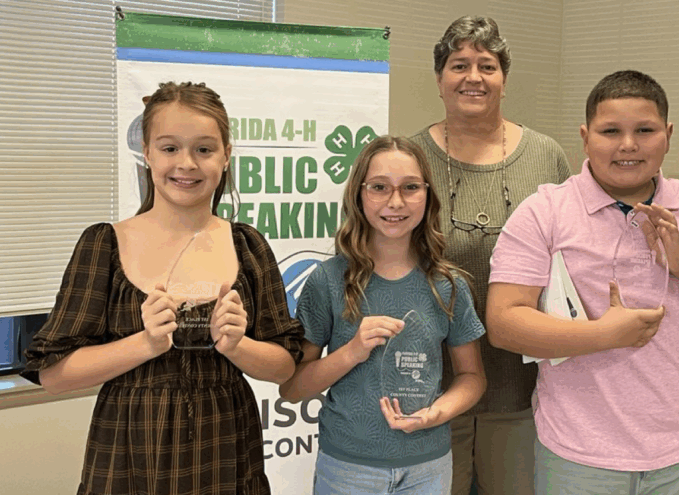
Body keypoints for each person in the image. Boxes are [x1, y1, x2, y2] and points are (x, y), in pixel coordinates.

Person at [487, 70, 679, 495]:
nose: (628, 145)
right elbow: (503, 323)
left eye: (645, 130)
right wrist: (603, 335)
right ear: (585, 138)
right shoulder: (545, 211)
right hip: (578, 455)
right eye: (610, 131)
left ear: (668, 134)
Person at [21, 81, 304, 495]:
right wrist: (146, 344)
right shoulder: (104, 245)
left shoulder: (248, 246)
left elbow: (285, 366)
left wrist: (236, 345)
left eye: (204, 149)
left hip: (227, 450)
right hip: (130, 455)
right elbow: (53, 376)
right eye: (170, 148)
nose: (186, 163)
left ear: (226, 157)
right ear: (147, 153)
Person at [409, 15, 571, 495]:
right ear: (439, 80)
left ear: (504, 78)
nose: (473, 77)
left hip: (521, 382)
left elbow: (572, 262)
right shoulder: (409, 157)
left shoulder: (546, 156)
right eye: (459, 65)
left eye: (487, 65)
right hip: (432, 383)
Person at [278, 136, 487, 494]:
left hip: (429, 467)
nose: (395, 202)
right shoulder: (328, 281)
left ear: (427, 195)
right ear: (359, 195)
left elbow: (472, 377)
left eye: (410, 188)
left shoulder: (449, 285)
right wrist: (352, 351)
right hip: (347, 469)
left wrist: (436, 413)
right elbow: (293, 388)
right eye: (379, 187)